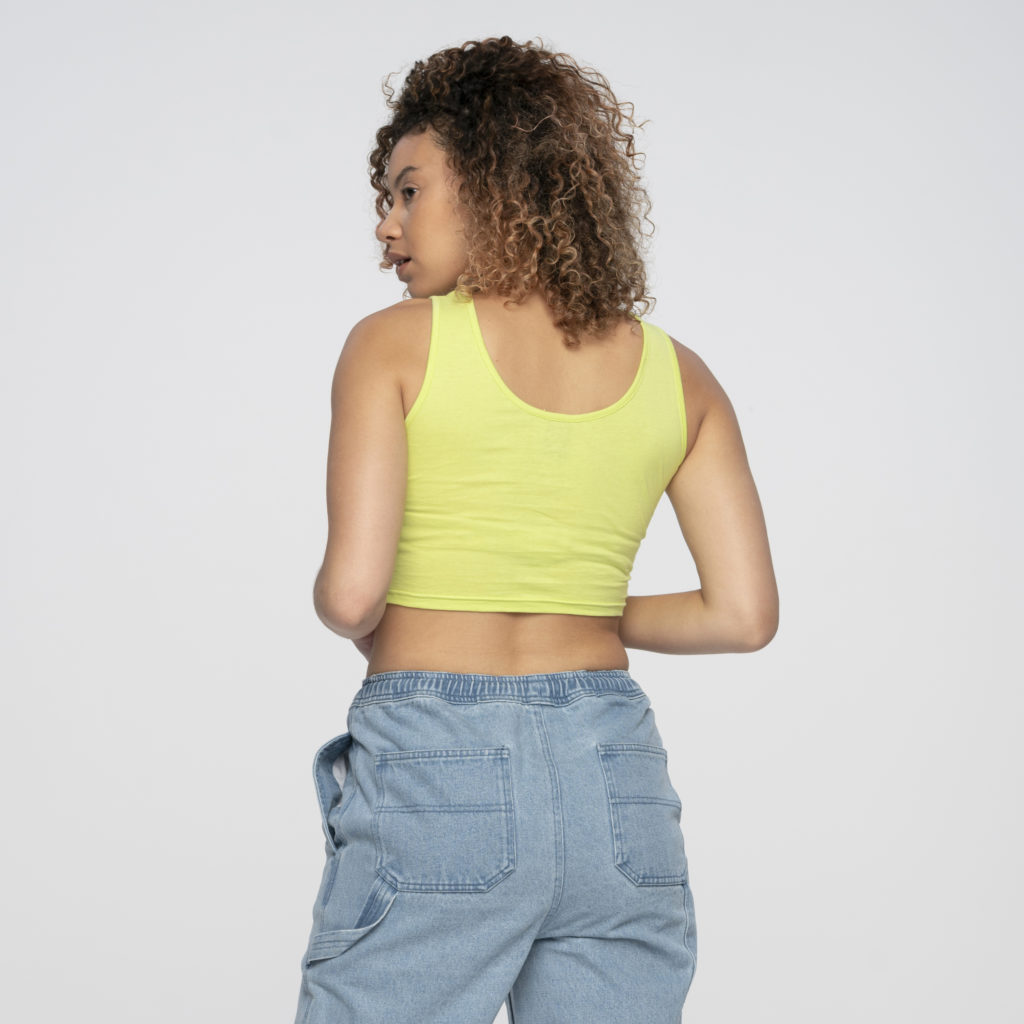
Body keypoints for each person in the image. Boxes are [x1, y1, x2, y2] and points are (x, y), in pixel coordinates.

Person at [292, 36, 778, 1024]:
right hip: (615, 772)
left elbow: (350, 594)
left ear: (494, 182)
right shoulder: (679, 376)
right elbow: (743, 615)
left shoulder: (391, 345)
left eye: (408, 191)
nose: (386, 225)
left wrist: (394, 611)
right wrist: (578, 608)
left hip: (438, 764)